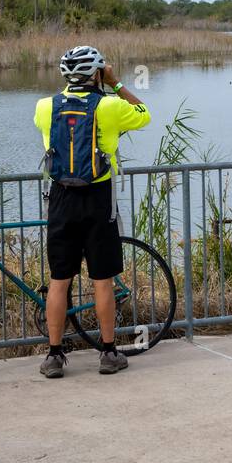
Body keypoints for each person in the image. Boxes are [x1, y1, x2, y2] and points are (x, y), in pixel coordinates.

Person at [34, 45, 151, 377]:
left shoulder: (45, 107)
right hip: (98, 198)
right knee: (102, 281)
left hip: (60, 199)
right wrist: (114, 83)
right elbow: (144, 113)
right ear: (97, 73)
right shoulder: (111, 106)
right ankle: (109, 353)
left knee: (59, 281)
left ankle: (54, 357)